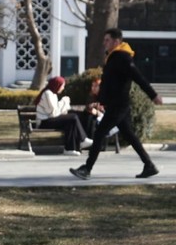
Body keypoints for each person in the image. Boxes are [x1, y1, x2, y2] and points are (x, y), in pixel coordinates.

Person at [70, 28, 164, 180]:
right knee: (130, 136)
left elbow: (138, 78)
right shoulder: (113, 58)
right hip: (115, 104)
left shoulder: (123, 58)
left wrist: (153, 95)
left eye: (107, 40)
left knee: (99, 133)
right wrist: (101, 99)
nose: (104, 43)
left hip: (119, 105)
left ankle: (87, 169)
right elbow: (109, 83)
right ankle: (149, 165)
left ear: (116, 41)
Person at [34, 76, 92, 156]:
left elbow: (56, 111)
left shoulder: (52, 94)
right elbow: (53, 112)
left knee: (71, 122)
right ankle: (83, 139)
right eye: (62, 85)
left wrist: (63, 105)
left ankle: (70, 149)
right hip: (44, 122)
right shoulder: (48, 93)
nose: (63, 88)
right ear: (57, 85)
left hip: (49, 119)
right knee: (73, 117)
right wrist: (63, 102)